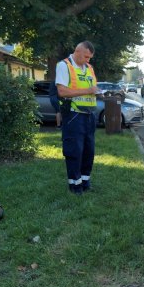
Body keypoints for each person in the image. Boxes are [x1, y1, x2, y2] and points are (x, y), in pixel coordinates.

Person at [55, 41, 99, 195]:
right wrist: (88, 90)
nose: (88, 60)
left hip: (89, 115)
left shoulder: (89, 68)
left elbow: (92, 88)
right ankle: (75, 185)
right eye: (86, 57)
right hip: (74, 115)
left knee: (89, 151)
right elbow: (62, 91)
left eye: (90, 58)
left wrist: (96, 91)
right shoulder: (64, 65)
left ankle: (85, 182)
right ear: (77, 51)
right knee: (75, 151)